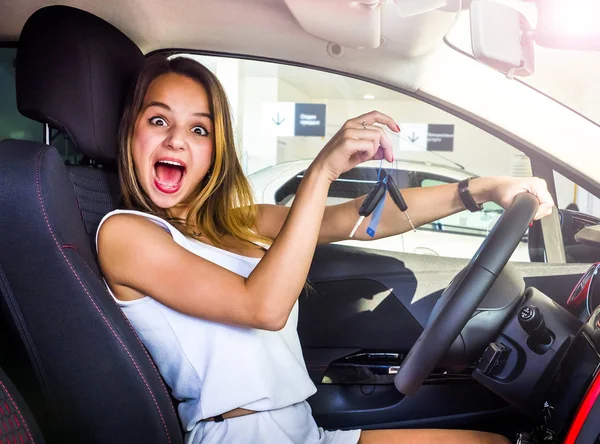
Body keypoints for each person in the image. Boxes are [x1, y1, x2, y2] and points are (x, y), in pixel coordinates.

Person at [96, 55, 553, 444]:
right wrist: (321, 172)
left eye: (199, 130)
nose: (176, 139)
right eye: (159, 120)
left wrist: (486, 189)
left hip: (303, 428)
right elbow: (263, 307)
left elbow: (355, 218)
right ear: (130, 131)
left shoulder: (236, 221)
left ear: (215, 150)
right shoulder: (125, 233)